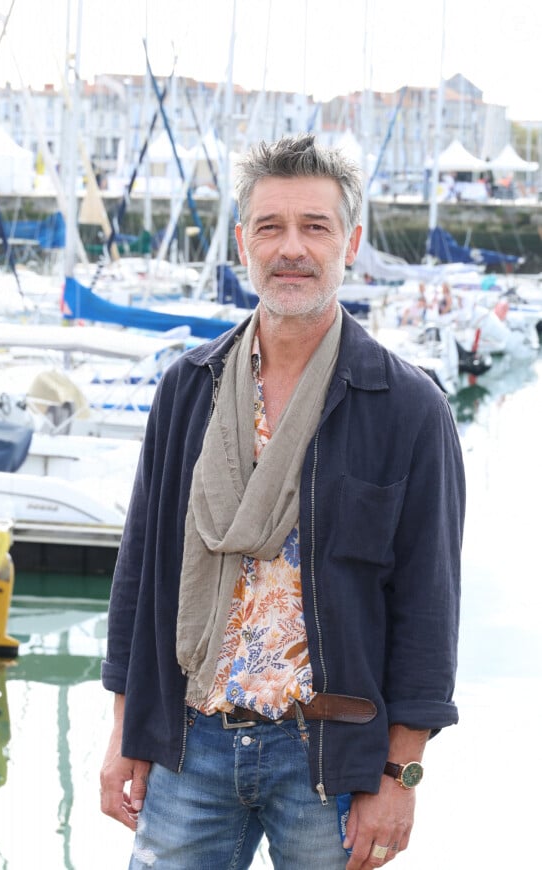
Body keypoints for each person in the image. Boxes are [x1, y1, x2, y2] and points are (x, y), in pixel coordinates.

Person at [100, 134, 465, 870]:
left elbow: (429, 605)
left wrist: (401, 777)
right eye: (270, 227)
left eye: (314, 226)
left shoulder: (408, 407)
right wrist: (123, 731)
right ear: (243, 243)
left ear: (350, 242)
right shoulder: (186, 389)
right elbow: (140, 572)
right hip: (188, 743)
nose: (290, 247)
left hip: (329, 761)